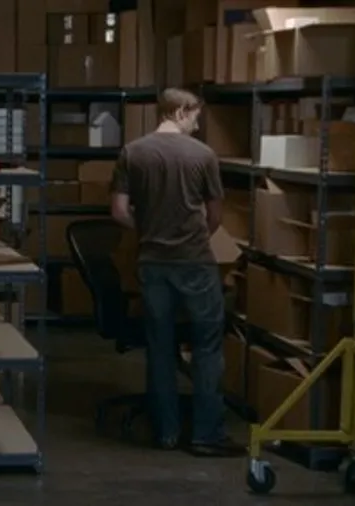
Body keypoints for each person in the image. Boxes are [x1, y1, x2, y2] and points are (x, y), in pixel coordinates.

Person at [110, 88, 243, 457]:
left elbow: (118, 211)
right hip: (195, 262)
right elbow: (215, 215)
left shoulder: (132, 152)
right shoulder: (203, 156)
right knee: (207, 346)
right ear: (180, 111)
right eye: (195, 116)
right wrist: (193, 237)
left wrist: (148, 231)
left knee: (160, 346)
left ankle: (165, 432)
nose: (197, 125)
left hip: (152, 263)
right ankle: (206, 435)